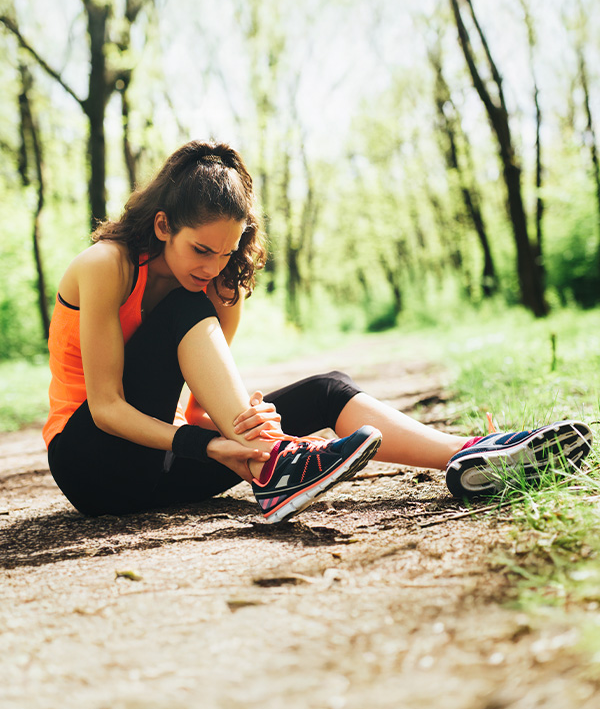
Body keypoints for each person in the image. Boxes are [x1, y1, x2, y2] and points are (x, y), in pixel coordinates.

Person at [43, 140, 593, 524]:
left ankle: (470, 454)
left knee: (328, 389)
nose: (212, 267)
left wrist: (245, 424)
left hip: (157, 473)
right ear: (163, 225)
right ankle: (277, 466)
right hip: (91, 462)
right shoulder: (107, 266)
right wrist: (218, 443)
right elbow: (109, 408)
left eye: (226, 253)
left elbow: (193, 413)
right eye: (200, 249)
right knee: (187, 314)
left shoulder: (216, 292)